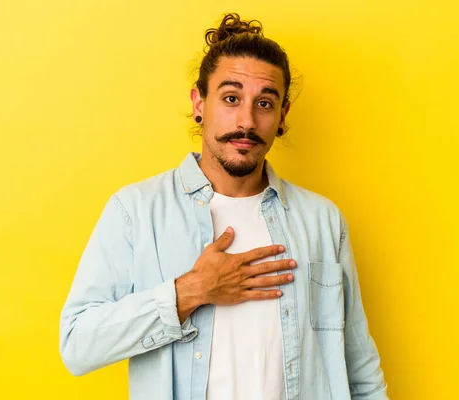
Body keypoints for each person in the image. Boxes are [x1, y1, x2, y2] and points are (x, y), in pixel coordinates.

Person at [60, 13, 388, 400]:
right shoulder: (136, 211)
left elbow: (359, 368)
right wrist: (190, 291)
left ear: (282, 116)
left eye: (265, 103)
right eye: (231, 98)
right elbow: (77, 345)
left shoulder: (322, 220)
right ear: (200, 102)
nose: (246, 121)